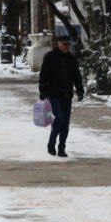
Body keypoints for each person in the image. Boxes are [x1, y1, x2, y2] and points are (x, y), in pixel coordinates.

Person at [38, 25, 85, 158]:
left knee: (65, 123)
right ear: (57, 44)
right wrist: (42, 90)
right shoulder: (50, 57)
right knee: (59, 118)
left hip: (67, 95)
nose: (67, 47)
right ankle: (51, 143)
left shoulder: (71, 58)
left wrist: (80, 90)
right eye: (64, 44)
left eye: (68, 44)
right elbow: (43, 75)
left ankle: (62, 147)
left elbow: (77, 76)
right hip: (53, 94)